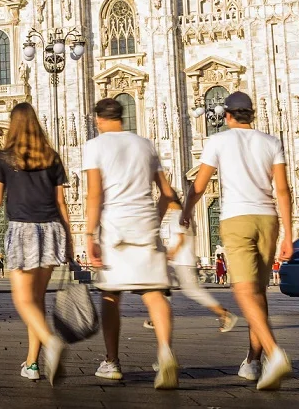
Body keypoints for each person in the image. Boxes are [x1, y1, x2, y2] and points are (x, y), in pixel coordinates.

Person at [182, 91, 294, 391]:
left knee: (242, 292)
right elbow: (283, 191)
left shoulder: (218, 141)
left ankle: (274, 353)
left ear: (227, 116)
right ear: (252, 114)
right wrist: (289, 234)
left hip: (236, 219)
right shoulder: (271, 142)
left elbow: (199, 185)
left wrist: (186, 211)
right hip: (268, 220)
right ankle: (253, 361)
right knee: (258, 293)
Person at [84, 97, 181, 390]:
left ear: (99, 119)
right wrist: (155, 218)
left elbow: (94, 195)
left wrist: (89, 235)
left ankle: (112, 362)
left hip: (115, 228)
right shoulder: (146, 145)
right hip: (145, 226)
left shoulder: (95, 146)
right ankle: (165, 353)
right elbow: (168, 193)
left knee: (111, 296)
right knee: (154, 295)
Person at [0, 102, 72, 385]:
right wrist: (69, 241)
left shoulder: (5, 157)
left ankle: (51, 343)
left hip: (24, 231)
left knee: (22, 299)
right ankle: (32, 364)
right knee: (37, 300)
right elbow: (61, 203)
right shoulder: (51, 156)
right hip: (52, 230)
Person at [162, 199, 237, 331]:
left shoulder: (177, 215)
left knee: (193, 291)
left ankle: (224, 313)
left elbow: (181, 238)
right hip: (180, 261)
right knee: (163, 285)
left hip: (182, 261)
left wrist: (171, 253)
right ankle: (159, 317)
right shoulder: (183, 214)